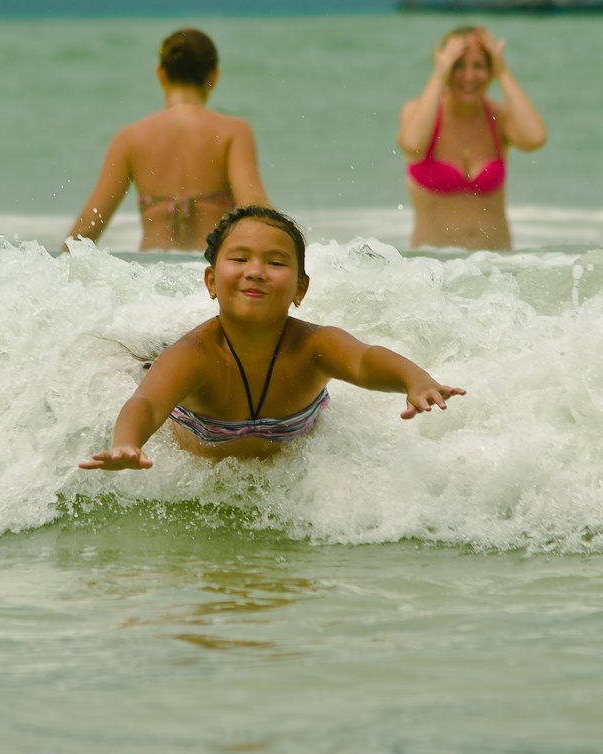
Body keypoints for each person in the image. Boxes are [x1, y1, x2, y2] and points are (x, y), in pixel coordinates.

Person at [79, 206, 466, 471]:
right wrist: (126, 443)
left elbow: (365, 360)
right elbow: (147, 401)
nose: (256, 271)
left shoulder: (315, 347)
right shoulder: (195, 355)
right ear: (212, 281)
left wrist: (415, 380)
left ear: (301, 288)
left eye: (276, 263)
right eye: (239, 259)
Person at [64, 29, 269, 253]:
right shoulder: (233, 131)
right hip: (207, 272)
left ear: (160, 74)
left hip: (149, 272)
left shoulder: (130, 137)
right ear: (214, 76)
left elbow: (87, 228)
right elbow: (256, 214)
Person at [397, 26, 547, 251]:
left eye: (479, 66)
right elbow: (412, 145)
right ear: (445, 67)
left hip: (497, 269)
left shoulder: (499, 118)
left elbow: (534, 138)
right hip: (432, 272)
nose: (469, 76)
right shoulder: (417, 113)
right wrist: (438, 76)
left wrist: (503, 73)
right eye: (458, 65)